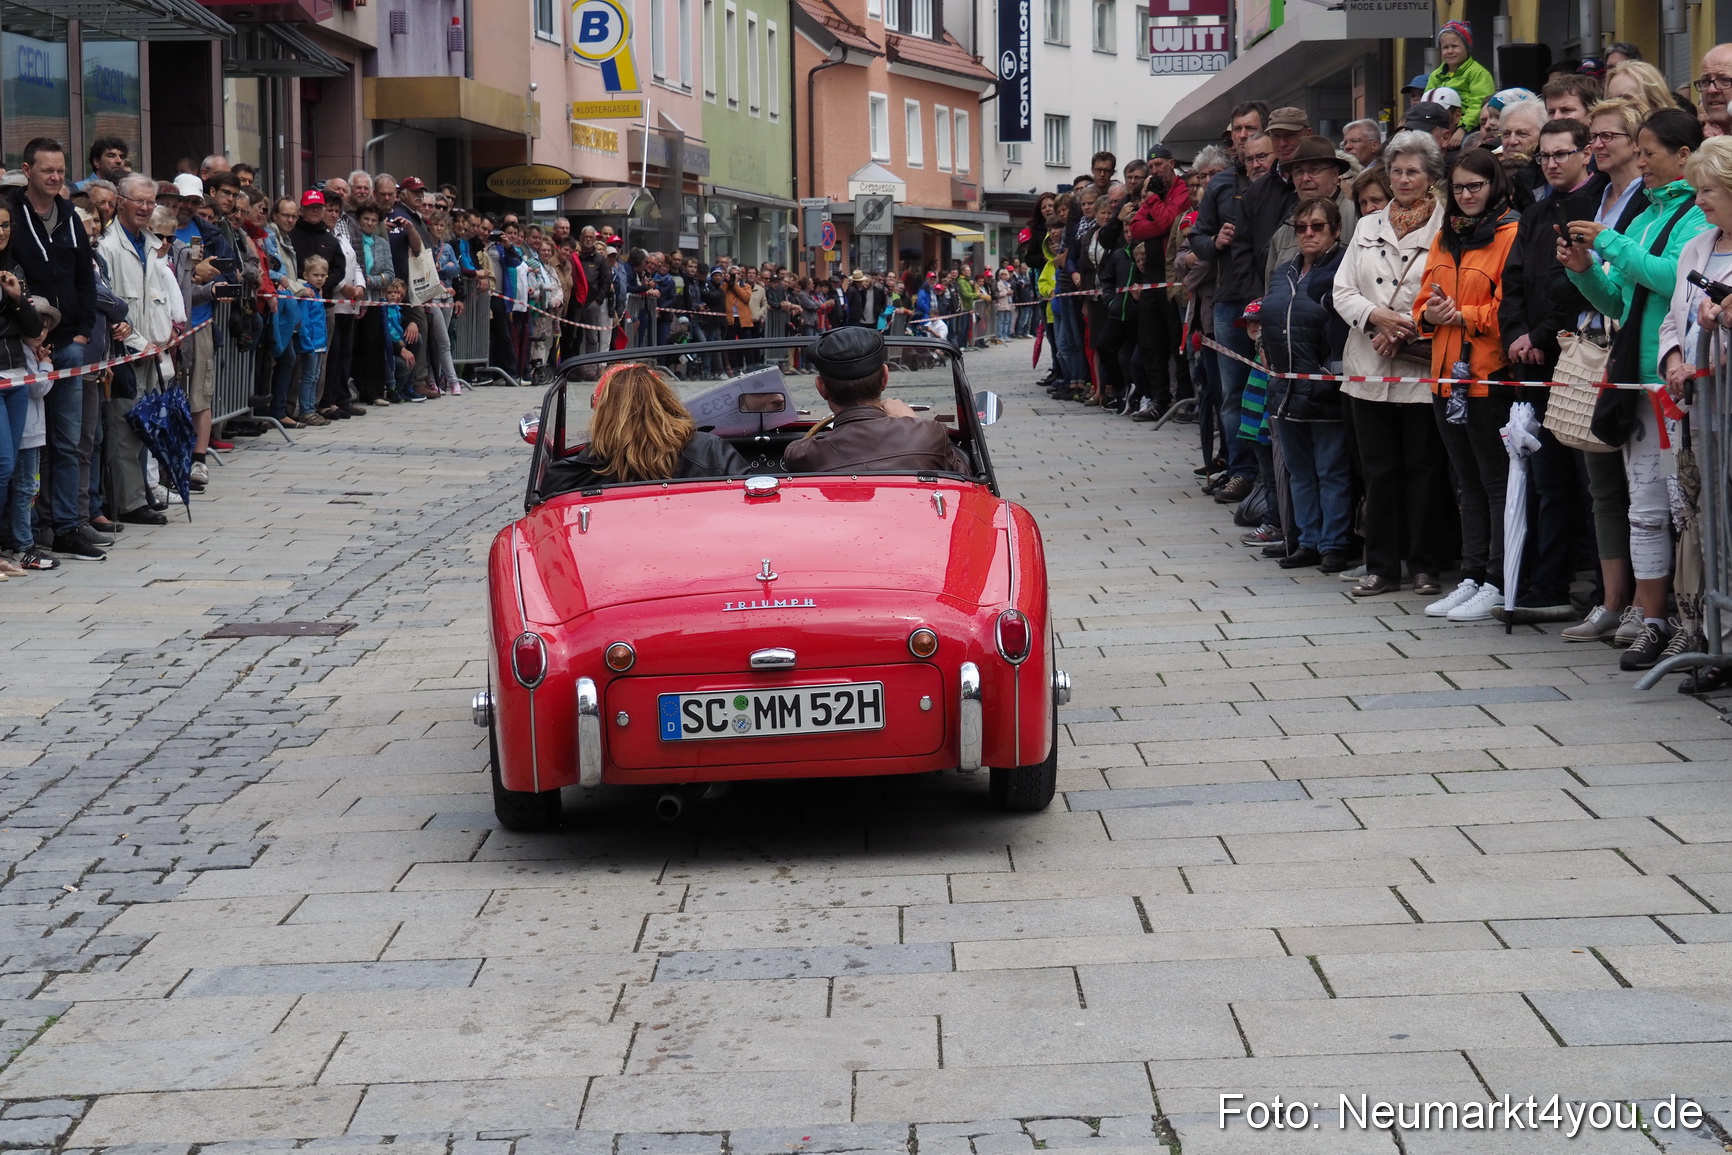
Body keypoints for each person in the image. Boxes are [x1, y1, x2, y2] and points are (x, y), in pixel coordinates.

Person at [1561, 107, 1710, 669]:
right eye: (1639, 151)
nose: (1640, 162)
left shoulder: (1699, 216)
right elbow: (1620, 302)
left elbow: (1674, 281)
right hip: (1634, 379)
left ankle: (1693, 620)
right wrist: (1582, 268)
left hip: (1679, 381)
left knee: (1684, 508)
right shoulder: (1644, 216)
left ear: (1684, 157)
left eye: (1650, 152)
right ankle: (1651, 622)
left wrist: (1611, 244)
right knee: (1644, 509)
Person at [1331, 131, 1448, 597]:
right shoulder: (1366, 226)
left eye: (1413, 171)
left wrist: (1403, 329)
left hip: (1420, 363)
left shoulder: (1446, 227)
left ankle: (1424, 565)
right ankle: (1380, 565)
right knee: (1377, 470)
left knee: (1424, 468)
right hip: (1368, 362)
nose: (1403, 179)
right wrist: (1376, 318)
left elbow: (1449, 293)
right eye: (1397, 170)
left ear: (1431, 177)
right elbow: (1343, 291)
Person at [1411, 147, 1522, 623]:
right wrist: (1428, 316)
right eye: (1459, 187)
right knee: (1466, 484)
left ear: (1493, 186)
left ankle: (1497, 580)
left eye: (1476, 185)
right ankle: (1472, 575)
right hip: (1444, 380)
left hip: (1487, 378)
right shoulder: (1443, 236)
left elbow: (1513, 307)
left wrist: (1465, 314)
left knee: (1494, 484)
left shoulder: (1511, 233)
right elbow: (1422, 301)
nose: (1467, 194)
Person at [1496, 117, 1598, 621]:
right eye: (1545, 156)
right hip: (1530, 361)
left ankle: (1593, 586)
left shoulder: (1596, 204)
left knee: (1584, 480)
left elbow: (1578, 285)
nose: (1553, 163)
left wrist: (1539, 337)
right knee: (1545, 475)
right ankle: (1545, 581)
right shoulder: (1534, 213)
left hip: (1574, 358)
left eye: (1562, 154)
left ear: (1586, 153)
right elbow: (1513, 280)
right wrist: (1517, 335)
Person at [1656, 134, 1732, 686]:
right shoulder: (1696, 246)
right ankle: (1717, 642)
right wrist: (1677, 357)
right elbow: (1670, 316)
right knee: (1706, 528)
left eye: (1709, 190)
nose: (1699, 200)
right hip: (1698, 411)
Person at [6, 138, 101, 559]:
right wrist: (32, 335)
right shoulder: (11, 215)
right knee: (27, 447)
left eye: (61, 170)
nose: (56, 177)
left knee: (69, 441)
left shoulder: (69, 216)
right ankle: (27, 531)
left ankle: (66, 526)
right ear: (27, 170)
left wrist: (81, 332)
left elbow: (85, 277)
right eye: (47, 170)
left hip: (68, 347)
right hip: (27, 349)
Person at [1262, 196, 1350, 572]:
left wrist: (1331, 373)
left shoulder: (1345, 269)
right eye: (1301, 228)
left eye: (1317, 226)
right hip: (1286, 389)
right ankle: (1307, 540)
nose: (1308, 234)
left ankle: (1334, 543)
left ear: (1336, 230)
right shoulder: (1284, 271)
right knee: (1299, 470)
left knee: (1331, 469)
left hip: (1325, 388)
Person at [95, 173, 180, 526]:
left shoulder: (149, 243)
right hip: (124, 352)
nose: (146, 207)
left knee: (144, 427)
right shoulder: (108, 246)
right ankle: (128, 503)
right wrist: (136, 342)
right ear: (120, 201)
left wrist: (160, 341)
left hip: (151, 352)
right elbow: (112, 306)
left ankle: (139, 492)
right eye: (138, 201)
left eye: (150, 202)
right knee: (124, 430)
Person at [784, 327, 971, 474]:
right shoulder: (930, 433)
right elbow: (967, 482)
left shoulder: (802, 454)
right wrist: (914, 422)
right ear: (885, 378)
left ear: (821, 388)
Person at [541, 363, 747, 494]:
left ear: (602, 412)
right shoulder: (710, 450)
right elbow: (753, 504)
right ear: (667, 403)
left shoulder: (569, 475)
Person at [0, 198, 45, 577]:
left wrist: (16, 299)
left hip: (15, 374)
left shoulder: (13, 268)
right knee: (1, 463)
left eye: (4, 226)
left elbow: (32, 328)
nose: (0, 233)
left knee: (11, 465)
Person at [1426, 20, 1496, 137]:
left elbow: (1478, 103)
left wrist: (1463, 129)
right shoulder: (1435, 75)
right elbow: (1427, 103)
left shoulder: (1478, 73)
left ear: (1467, 47)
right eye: (1445, 47)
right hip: (1437, 127)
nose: (1449, 51)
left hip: (1470, 129)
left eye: (1454, 46)